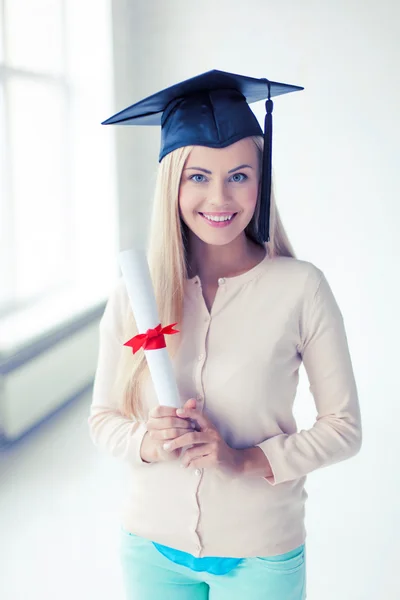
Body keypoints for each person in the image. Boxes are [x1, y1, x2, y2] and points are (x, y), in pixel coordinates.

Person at [88, 70, 362, 600]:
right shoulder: (136, 291)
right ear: (172, 183)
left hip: (261, 551)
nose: (219, 196)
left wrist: (245, 460)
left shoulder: (301, 287)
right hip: (151, 548)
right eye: (198, 177)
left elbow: (344, 427)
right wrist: (149, 439)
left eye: (239, 175)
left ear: (262, 180)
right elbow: (103, 421)